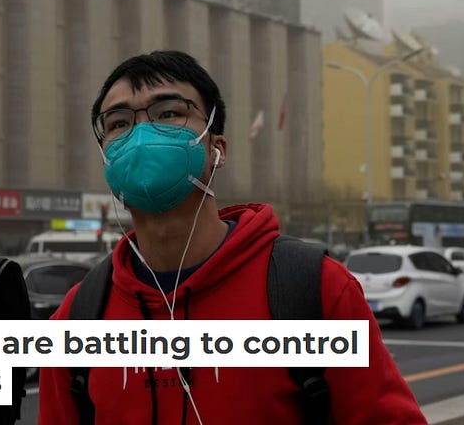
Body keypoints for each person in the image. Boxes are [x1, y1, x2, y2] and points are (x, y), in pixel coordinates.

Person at [37, 51, 425, 424]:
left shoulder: (314, 289)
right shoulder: (77, 318)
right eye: (119, 123)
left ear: (216, 149)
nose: (140, 135)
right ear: (106, 156)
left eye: (168, 113)